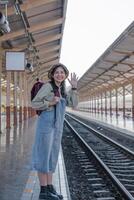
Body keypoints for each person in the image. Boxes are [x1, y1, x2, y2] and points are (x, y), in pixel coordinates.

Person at [31, 63, 78, 200]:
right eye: (57, 72)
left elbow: (73, 104)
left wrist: (74, 88)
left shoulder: (62, 89)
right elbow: (34, 103)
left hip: (56, 127)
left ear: (65, 75)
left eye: (62, 72)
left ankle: (50, 188)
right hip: (46, 126)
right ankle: (43, 191)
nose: (59, 74)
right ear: (52, 74)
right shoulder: (48, 87)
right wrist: (50, 103)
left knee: (52, 156)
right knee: (43, 156)